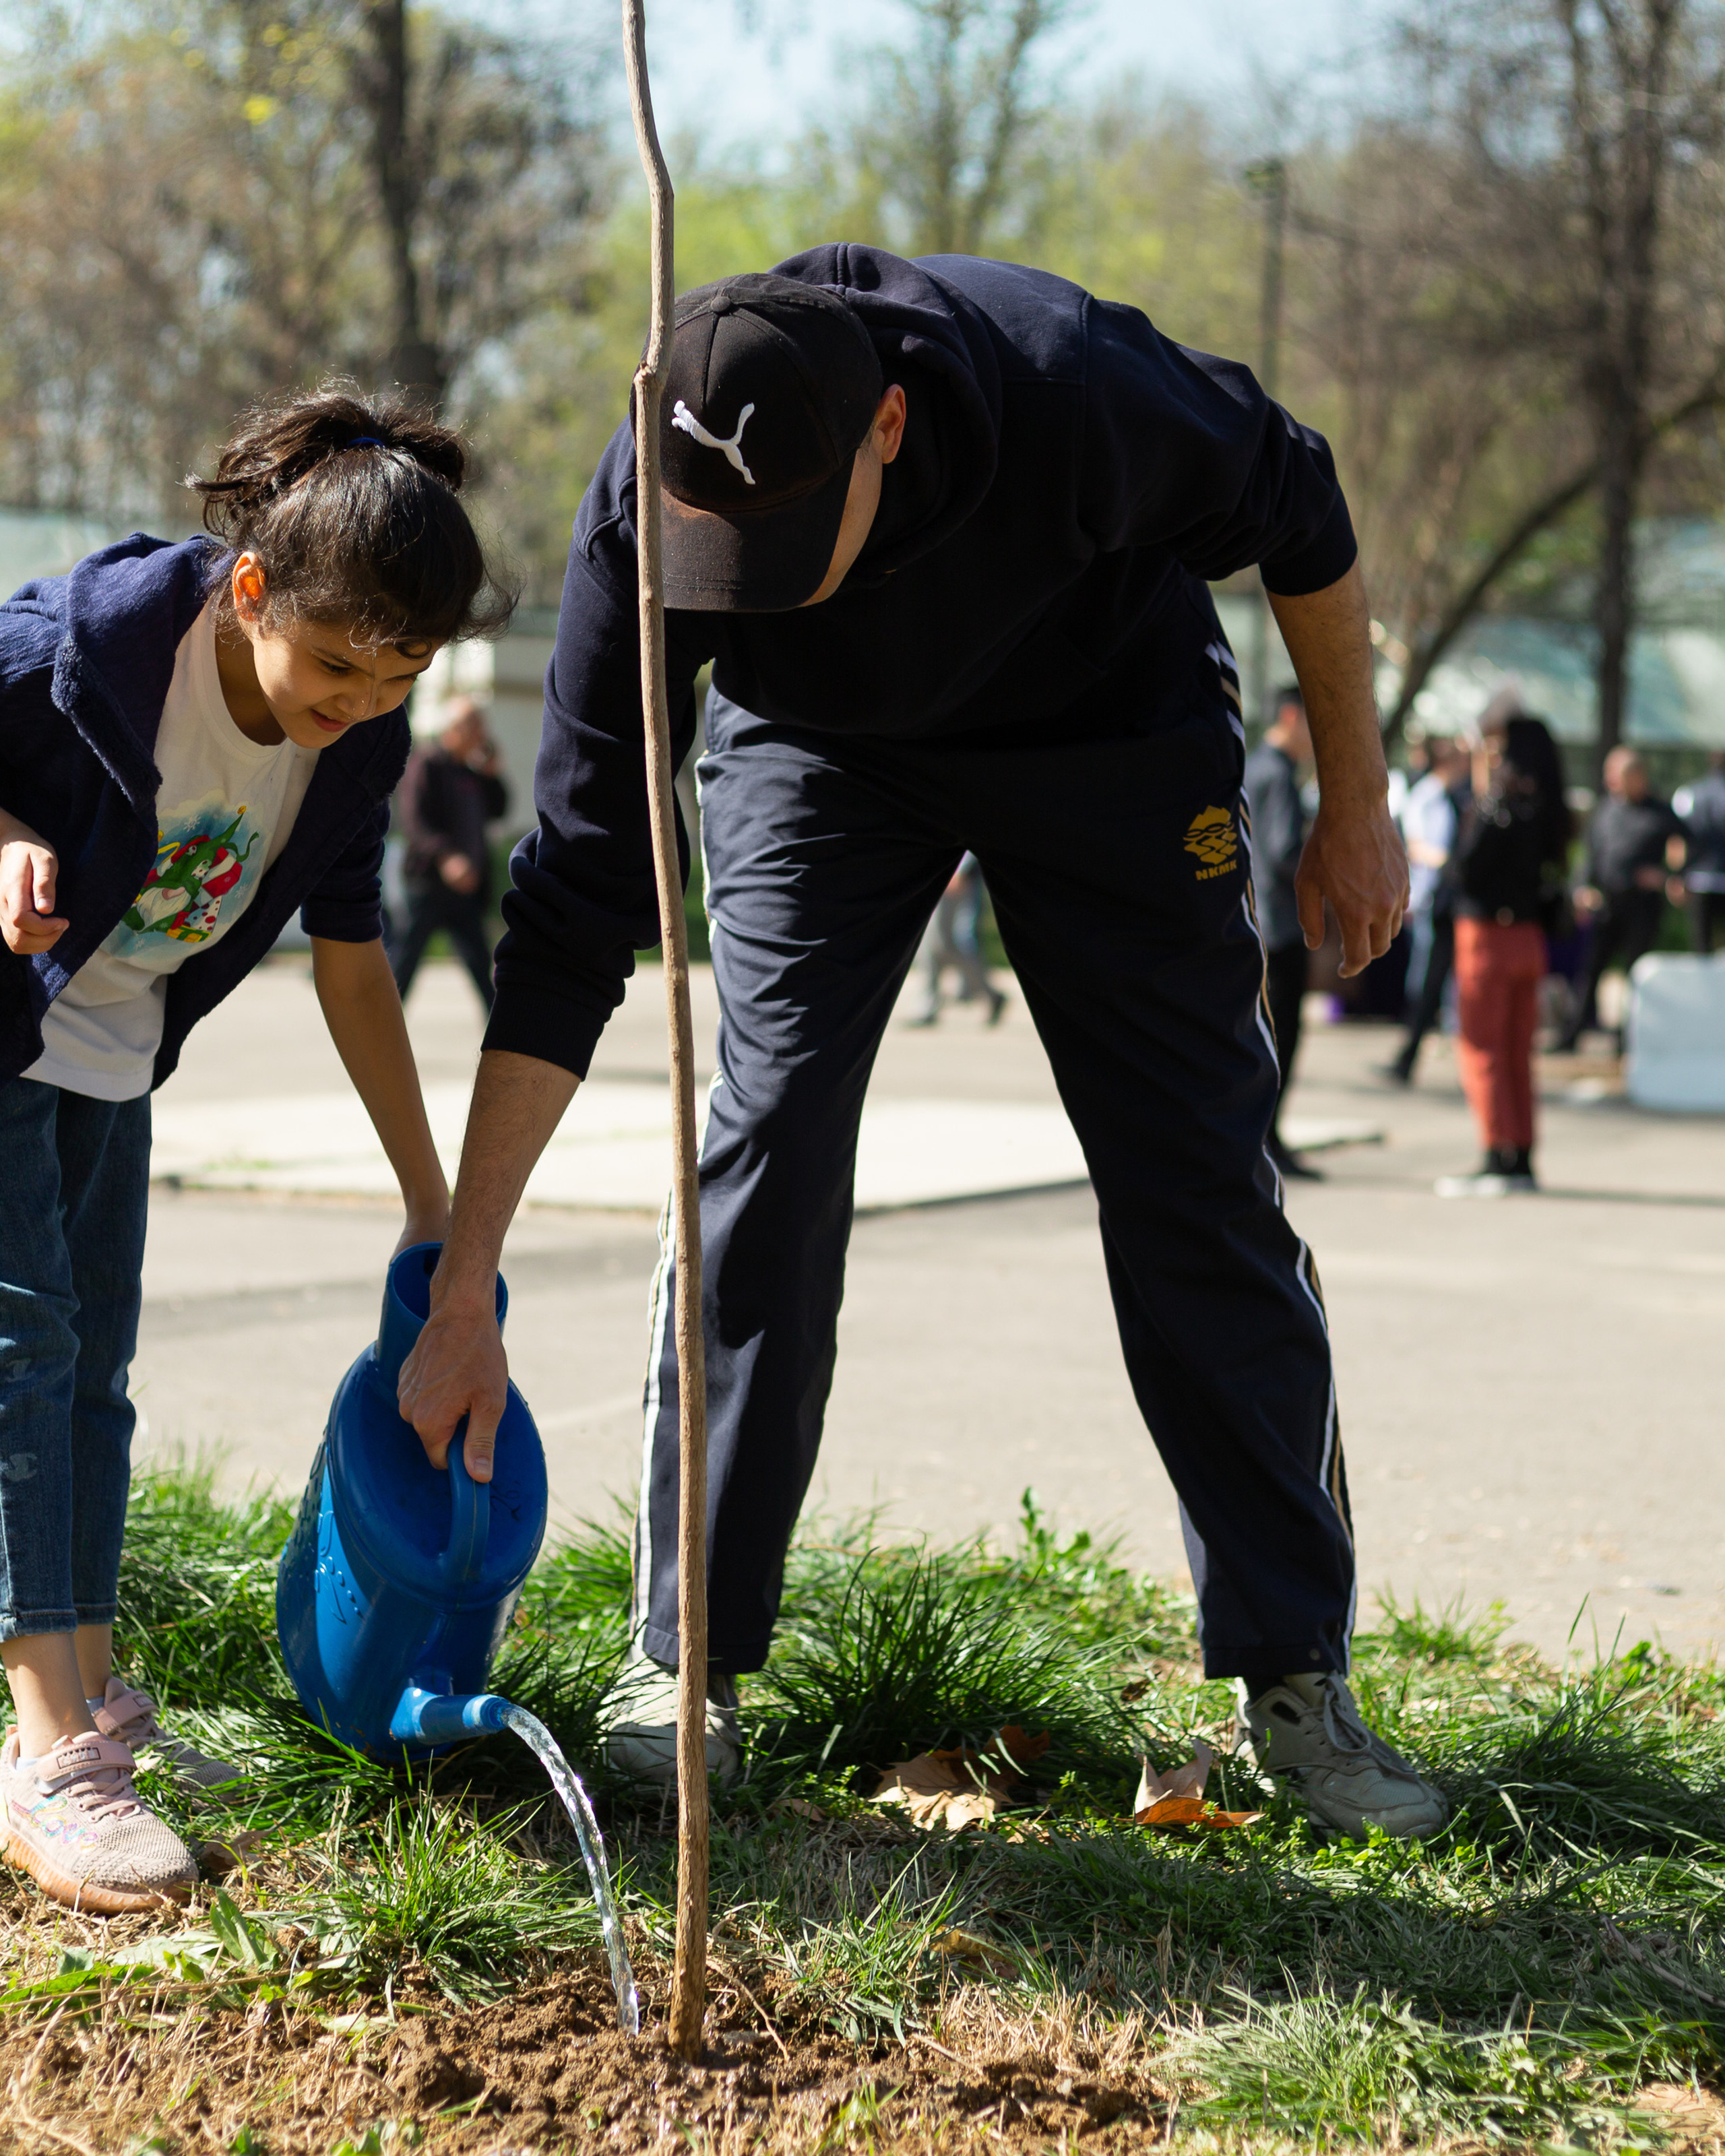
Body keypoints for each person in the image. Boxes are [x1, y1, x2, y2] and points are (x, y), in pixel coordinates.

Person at [398, 252, 1445, 1841]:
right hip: (815, 759)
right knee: (769, 1134)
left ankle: (1293, 1678)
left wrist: (1356, 806)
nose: (754, 573)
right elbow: (573, 905)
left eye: (786, 547)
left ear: (888, 425)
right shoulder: (644, 506)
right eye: (722, 555)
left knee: (1192, 1174)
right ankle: (684, 1663)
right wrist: (468, 1271)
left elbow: (1300, 505)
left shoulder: (1072, 387)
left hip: (1104, 723)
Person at [0, 387, 513, 1913]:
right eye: (337, 664)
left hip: (105, 1045)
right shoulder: (81, 647)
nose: (357, 702)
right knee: (22, 1353)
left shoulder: (353, 750)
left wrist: (432, 1204)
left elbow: (355, 965)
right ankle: (45, 1764)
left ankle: (89, 1704)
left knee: (93, 1373)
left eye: (394, 678)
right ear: (249, 592)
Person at [1436, 714, 1572, 1196]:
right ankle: (1522, 1155)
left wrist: (1482, 789)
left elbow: (1464, 869)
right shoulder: (1549, 809)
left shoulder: (1498, 805)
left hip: (1486, 939)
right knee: (1518, 1052)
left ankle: (1497, 1152)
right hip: (1529, 940)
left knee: (1482, 1047)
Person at [1555, 746, 1684, 1052]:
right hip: (1607, 902)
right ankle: (1574, 1033)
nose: (1612, 781)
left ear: (1638, 776)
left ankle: (1629, 1038)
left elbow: (1685, 849)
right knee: (1591, 968)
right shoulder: (1607, 809)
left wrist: (1665, 875)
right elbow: (1589, 854)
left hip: (1642, 905)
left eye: (1619, 775)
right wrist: (1581, 889)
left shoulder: (1661, 812)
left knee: (1636, 974)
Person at [1244, 687, 1321, 1178]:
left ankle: (1263, 1138)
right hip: (1278, 927)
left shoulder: (1251, 765)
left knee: (1261, 1038)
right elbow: (1283, 850)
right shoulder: (1279, 775)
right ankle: (1268, 1139)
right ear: (1292, 717)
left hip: (1253, 921)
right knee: (1281, 1038)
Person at [391, 696, 509, 1011]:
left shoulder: (473, 772)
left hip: (466, 889)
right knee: (405, 963)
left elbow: (499, 810)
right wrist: (447, 857)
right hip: (428, 885)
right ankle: (382, 1032)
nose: (481, 733)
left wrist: (492, 773)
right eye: (475, 725)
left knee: (481, 965)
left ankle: (500, 1041)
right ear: (453, 729)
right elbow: (415, 821)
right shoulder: (428, 763)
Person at [1381, 734, 1470, 1085]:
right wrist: (1453, 865)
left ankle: (1423, 1048)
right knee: (1427, 977)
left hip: (1449, 897)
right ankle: (1412, 1048)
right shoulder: (1427, 796)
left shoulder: (1460, 796)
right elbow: (1417, 847)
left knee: (1444, 980)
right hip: (1434, 898)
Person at [906, 852, 1006, 1025]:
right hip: (935, 872)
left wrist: (961, 870)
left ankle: (990, 994)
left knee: (950, 943)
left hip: (957, 876)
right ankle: (929, 1006)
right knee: (928, 943)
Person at [1673, 751, 1725, 953]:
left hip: (1698, 879)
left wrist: (1677, 875)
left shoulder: (1690, 794)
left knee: (1701, 947)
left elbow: (1678, 839)